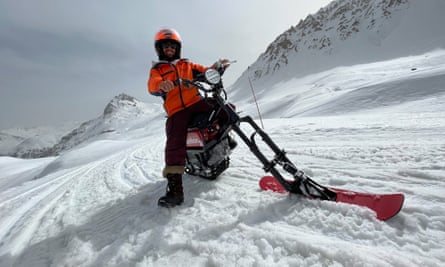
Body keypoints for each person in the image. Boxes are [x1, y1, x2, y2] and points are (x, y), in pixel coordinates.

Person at [147, 28, 231, 207]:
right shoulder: (158, 70)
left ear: (177, 48)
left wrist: (217, 68)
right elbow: (152, 86)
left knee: (225, 108)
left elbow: (205, 72)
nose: (169, 49)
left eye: (172, 46)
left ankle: (225, 140)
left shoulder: (187, 65)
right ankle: (175, 190)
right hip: (177, 110)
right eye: (165, 46)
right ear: (159, 49)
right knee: (174, 140)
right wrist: (162, 84)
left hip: (196, 102)